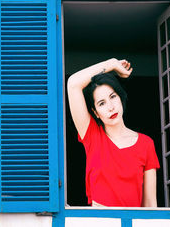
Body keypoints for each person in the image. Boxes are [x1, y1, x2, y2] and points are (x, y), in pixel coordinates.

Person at [67, 58, 160, 207]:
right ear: (95, 112)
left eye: (112, 97)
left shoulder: (146, 144)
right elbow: (73, 84)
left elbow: (150, 205)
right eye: (101, 103)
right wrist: (111, 65)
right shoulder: (92, 136)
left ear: (120, 97)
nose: (110, 107)